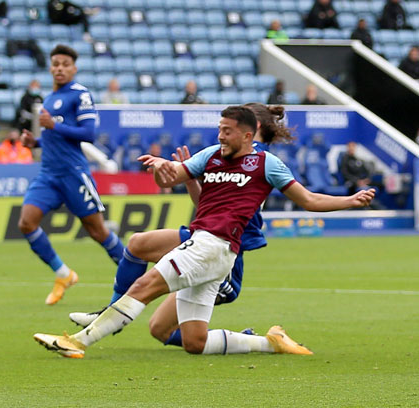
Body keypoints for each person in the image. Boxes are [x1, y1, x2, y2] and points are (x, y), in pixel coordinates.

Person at [34, 105, 375, 358]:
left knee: (145, 284)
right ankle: (269, 343)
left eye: (227, 130)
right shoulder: (211, 155)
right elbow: (174, 177)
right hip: (208, 245)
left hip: (216, 247)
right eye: (219, 128)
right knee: (194, 342)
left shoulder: (266, 164)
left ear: (247, 134)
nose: (220, 135)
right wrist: (161, 169)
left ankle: (78, 341)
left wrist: (351, 201)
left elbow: (310, 200)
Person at [69, 104, 295, 348]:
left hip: (224, 255)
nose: (222, 135)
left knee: (141, 253)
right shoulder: (232, 155)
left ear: (253, 127)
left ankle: (105, 318)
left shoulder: (257, 160)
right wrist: (189, 177)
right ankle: (258, 343)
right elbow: (206, 205)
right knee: (160, 325)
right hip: (205, 238)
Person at [18, 44, 125, 305]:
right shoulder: (49, 98)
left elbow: (88, 134)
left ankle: (133, 272)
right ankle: (63, 274)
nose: (59, 68)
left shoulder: (80, 94)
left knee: (98, 231)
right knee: (26, 223)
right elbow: (56, 136)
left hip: (73, 174)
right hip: (48, 175)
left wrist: (54, 124)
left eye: (65, 64)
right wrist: (37, 143)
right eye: (55, 63)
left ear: (74, 68)